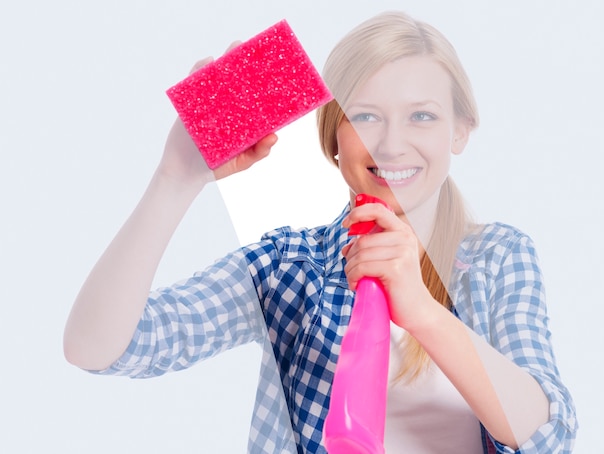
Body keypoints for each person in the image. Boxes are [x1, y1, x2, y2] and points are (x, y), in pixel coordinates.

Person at [64, 11, 577, 453]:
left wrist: (421, 308)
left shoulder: (498, 257)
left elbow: (548, 435)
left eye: (421, 116)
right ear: (333, 137)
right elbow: (100, 348)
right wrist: (175, 179)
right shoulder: (290, 266)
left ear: (459, 131)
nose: (391, 145)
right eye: (366, 116)